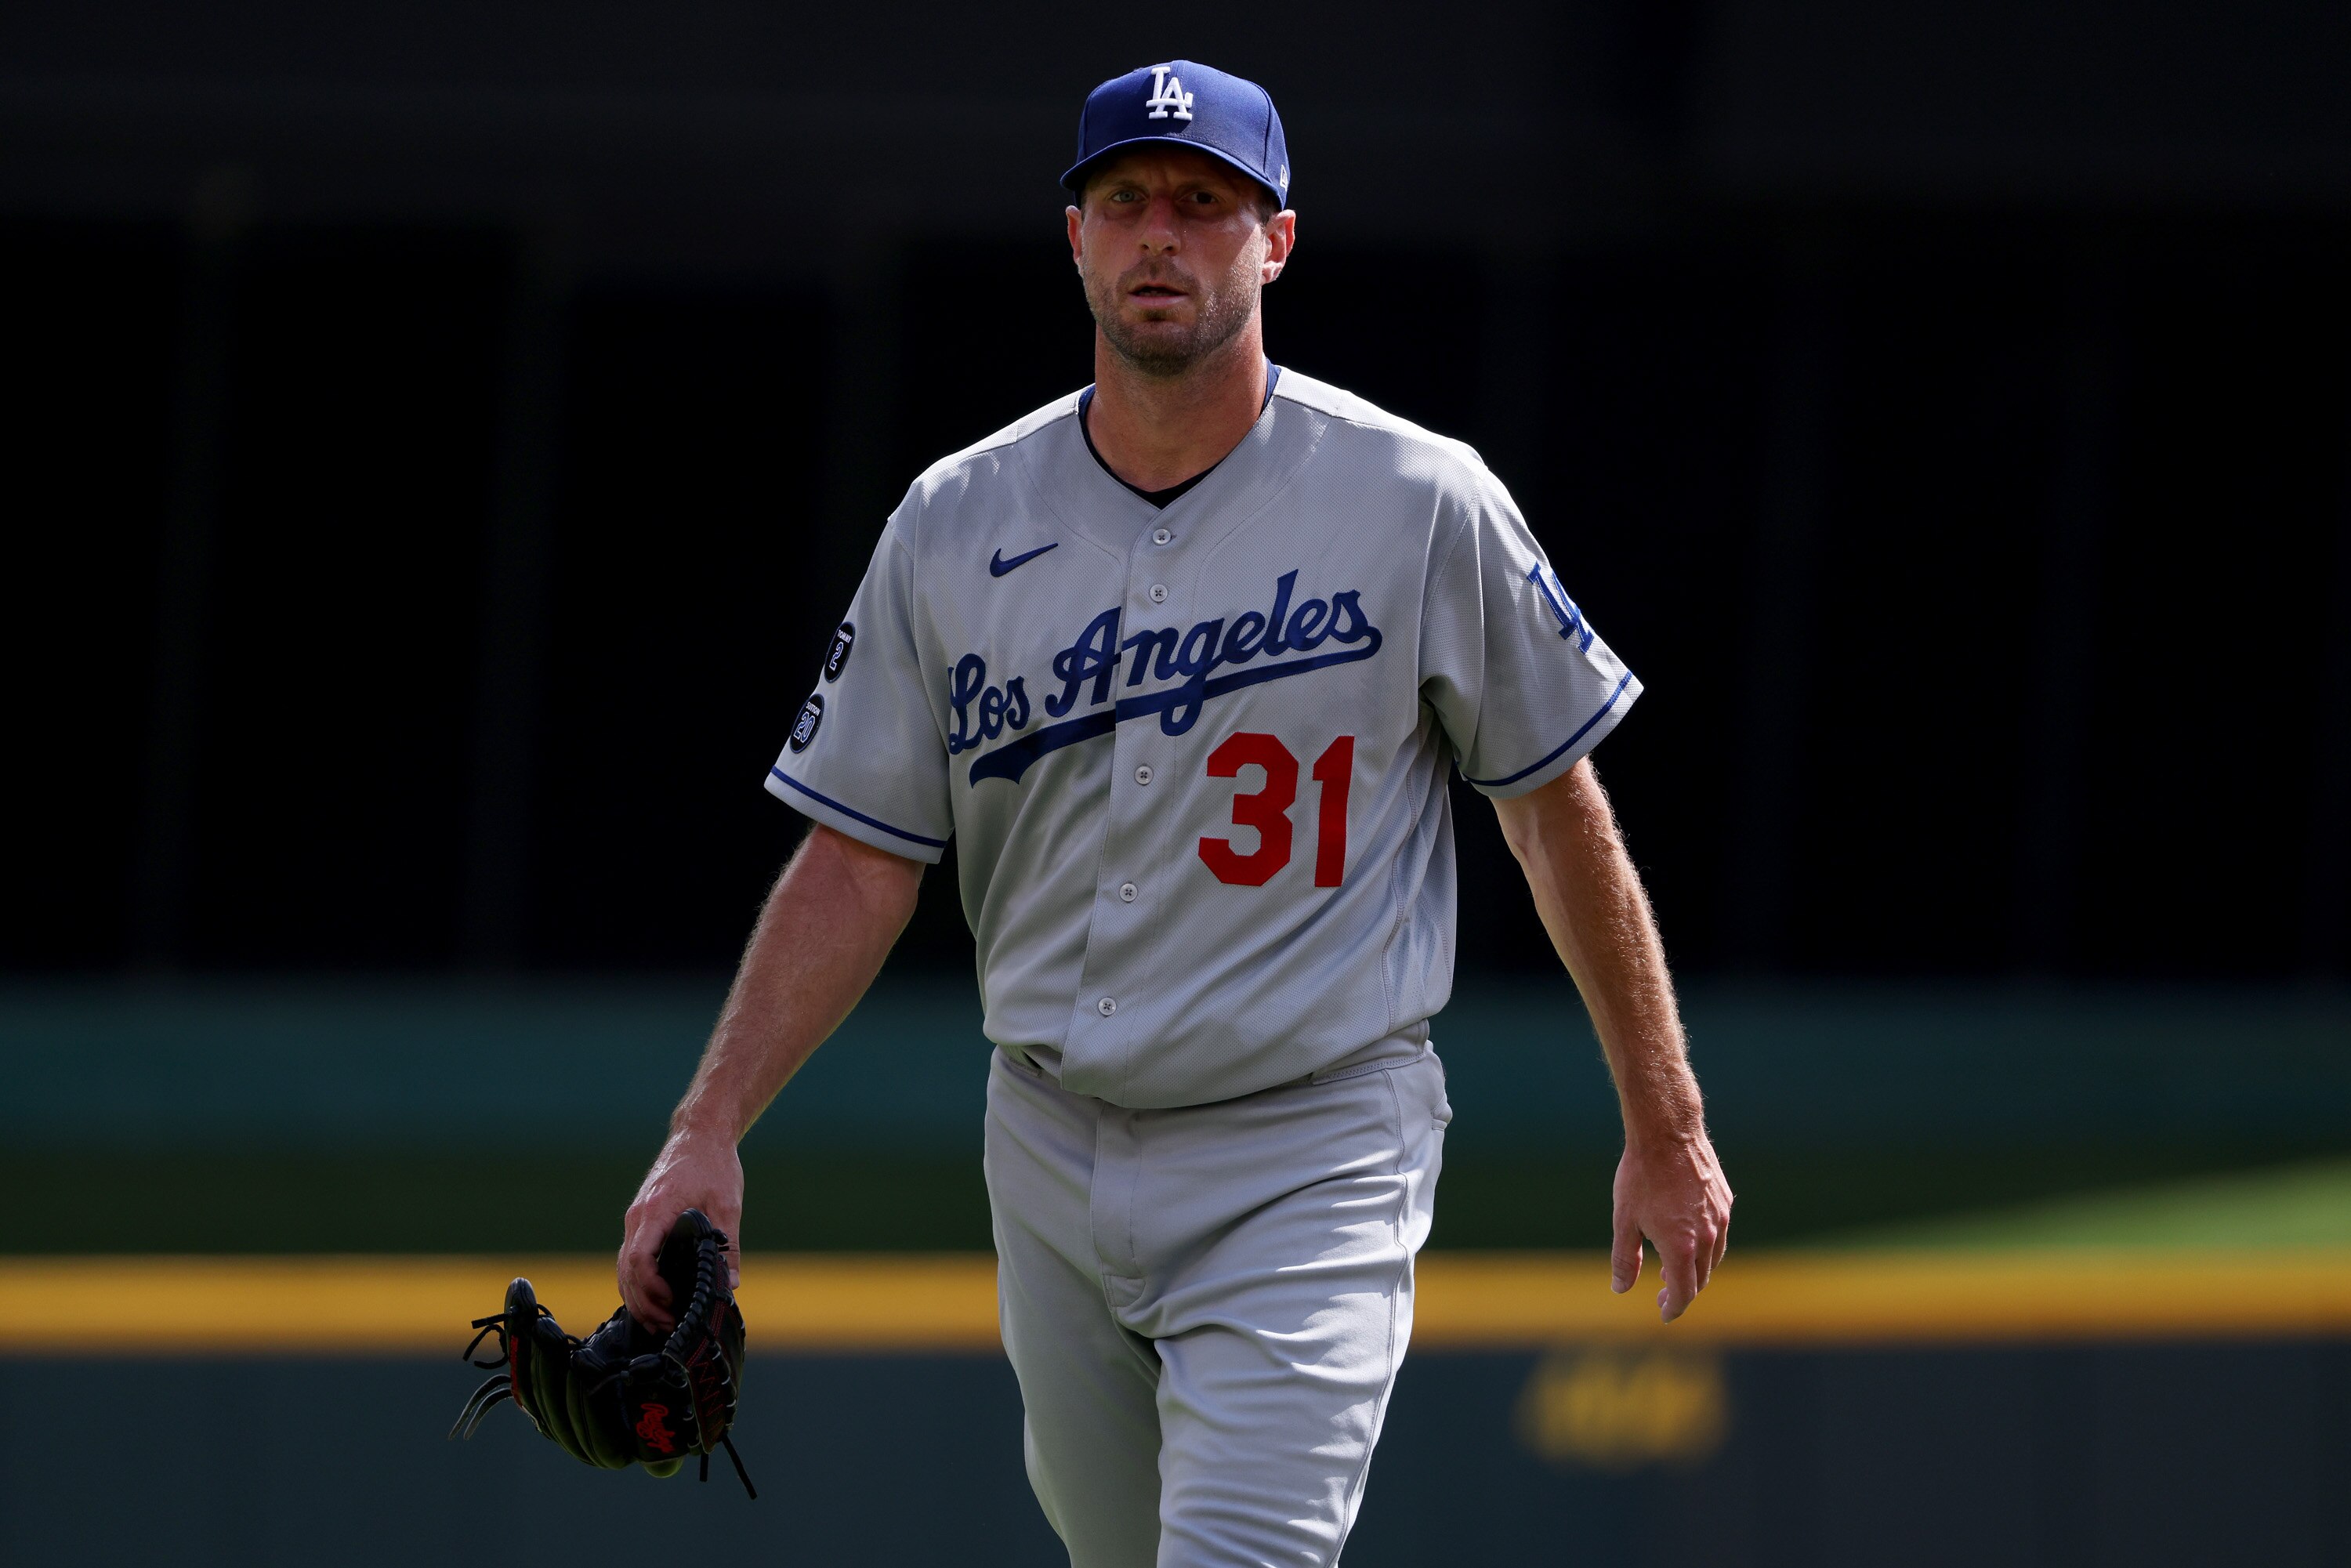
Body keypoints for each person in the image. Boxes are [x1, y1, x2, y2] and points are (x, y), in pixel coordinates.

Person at [618, 57, 1731, 1568]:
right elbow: (862, 850)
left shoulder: (1419, 498)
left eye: (1205, 203)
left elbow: (1556, 811)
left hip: (1315, 1141)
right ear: (1073, 237)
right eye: (1125, 199)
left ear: (1275, 240)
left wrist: (1665, 1122)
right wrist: (707, 1132)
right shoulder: (958, 518)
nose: (1162, 234)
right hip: (1051, 1142)